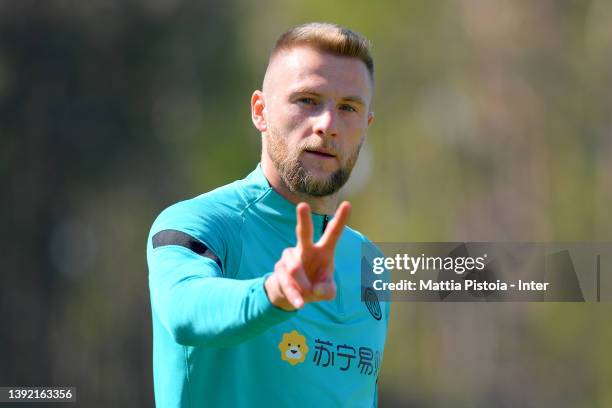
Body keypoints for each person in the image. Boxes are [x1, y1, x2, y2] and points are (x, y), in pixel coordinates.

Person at [147, 22, 389, 407]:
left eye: (348, 108)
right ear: (260, 111)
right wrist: (275, 292)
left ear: (366, 126)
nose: (328, 124)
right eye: (308, 100)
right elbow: (182, 310)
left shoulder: (369, 264)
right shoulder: (200, 223)